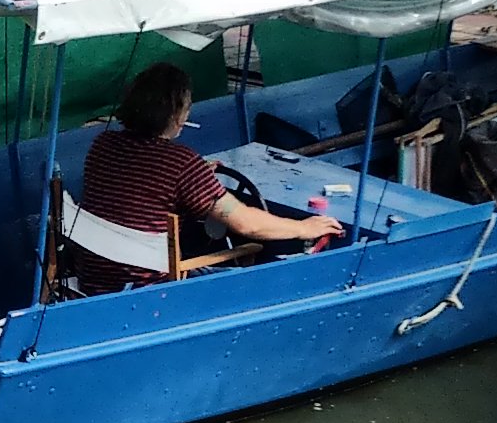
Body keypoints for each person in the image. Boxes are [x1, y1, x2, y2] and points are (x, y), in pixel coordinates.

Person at [60, 62, 340, 292]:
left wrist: (196, 178)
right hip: (149, 287)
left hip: (93, 277)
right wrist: (304, 228)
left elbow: (143, 183)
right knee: (256, 266)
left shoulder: (103, 144)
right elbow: (247, 224)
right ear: (175, 114)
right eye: (187, 105)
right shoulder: (181, 163)